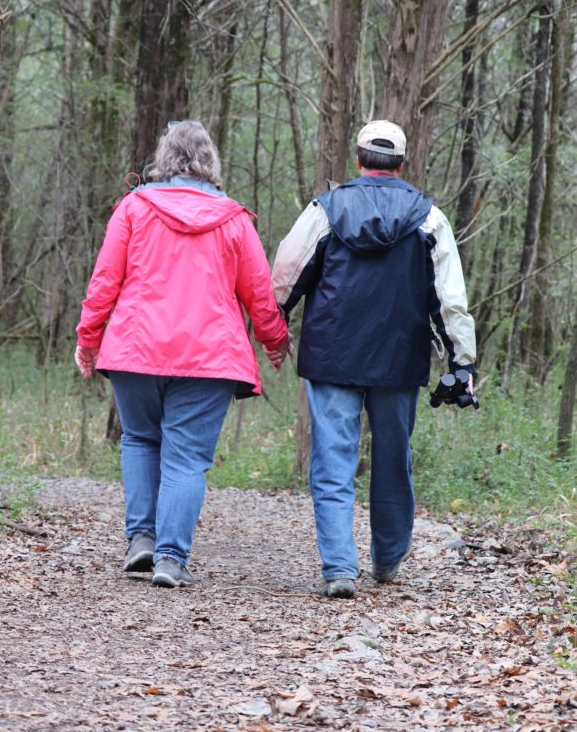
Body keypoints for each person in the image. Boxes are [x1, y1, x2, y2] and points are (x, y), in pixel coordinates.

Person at [75, 120, 290, 589]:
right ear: (210, 163)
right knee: (187, 458)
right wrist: (275, 341)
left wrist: (89, 340)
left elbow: (104, 282)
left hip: (135, 349)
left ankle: (142, 541)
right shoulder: (233, 219)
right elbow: (258, 293)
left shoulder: (133, 208)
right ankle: (170, 559)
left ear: (163, 159)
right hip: (210, 357)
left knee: (139, 440)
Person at [270, 119, 476, 599]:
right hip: (399, 355)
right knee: (392, 458)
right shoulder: (430, 218)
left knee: (332, 460)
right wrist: (460, 363)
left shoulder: (325, 209)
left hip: (331, 352)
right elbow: (450, 301)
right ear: (402, 163)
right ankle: (386, 560)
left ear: (358, 158)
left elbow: (286, 270)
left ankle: (340, 569)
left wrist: (275, 325)